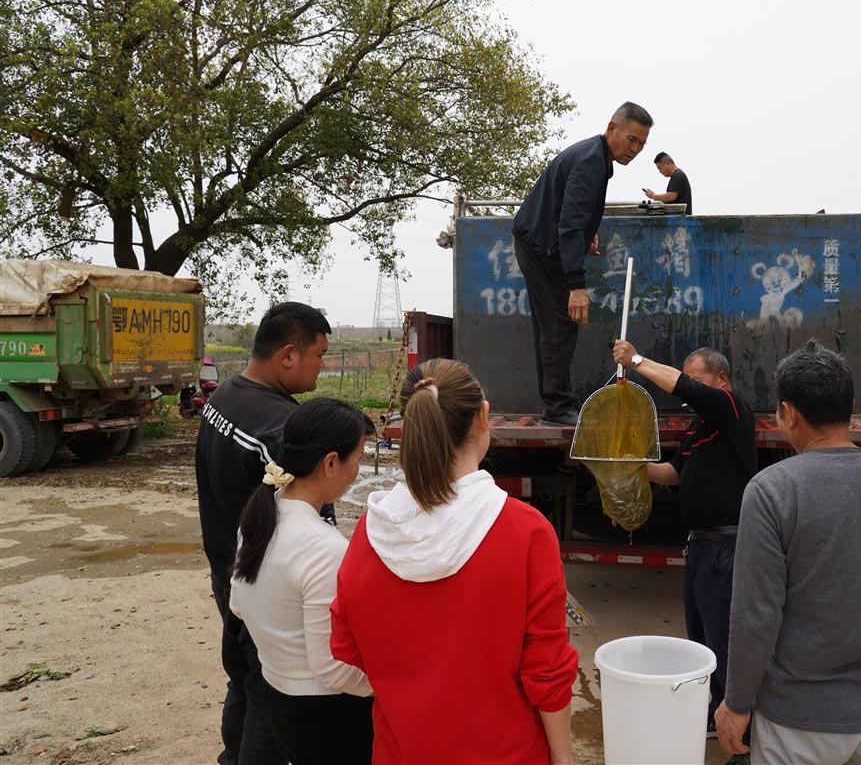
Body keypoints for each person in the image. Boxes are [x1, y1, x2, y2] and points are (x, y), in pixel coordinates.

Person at [330, 358, 578, 764]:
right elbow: (547, 673)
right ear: (483, 416)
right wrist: (564, 759)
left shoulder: (369, 534)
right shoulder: (525, 532)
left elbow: (346, 645)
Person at [715, 341, 861, 765]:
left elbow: (757, 615)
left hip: (798, 724)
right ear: (852, 407)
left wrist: (736, 703)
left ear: (788, 413)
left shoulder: (772, 490)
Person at [195, 301, 330, 765]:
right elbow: (312, 528)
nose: (322, 368)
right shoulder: (278, 428)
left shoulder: (225, 396)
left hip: (229, 570)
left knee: (244, 678)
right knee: (269, 692)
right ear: (289, 355)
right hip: (263, 580)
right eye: (319, 355)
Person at [612, 340, 755, 758]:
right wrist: (628, 465)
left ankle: (742, 733)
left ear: (721, 381)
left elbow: (684, 389)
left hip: (726, 545)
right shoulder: (698, 429)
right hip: (699, 548)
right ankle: (714, 714)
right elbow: (673, 473)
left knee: (724, 641)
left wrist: (636, 362)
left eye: (698, 380)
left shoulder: (731, 412)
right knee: (702, 640)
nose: (690, 389)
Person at [229, 398, 375, 765]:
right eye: (357, 457)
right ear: (330, 463)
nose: (358, 469)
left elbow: (238, 604)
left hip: (279, 697)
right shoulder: (323, 547)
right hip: (326, 716)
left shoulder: (261, 514)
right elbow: (331, 668)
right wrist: (385, 688)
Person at [513, 101, 654, 425]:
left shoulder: (597, 158)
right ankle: (558, 408)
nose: (635, 149)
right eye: (632, 139)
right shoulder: (592, 160)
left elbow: (571, 214)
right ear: (612, 128)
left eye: (642, 144)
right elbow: (569, 224)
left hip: (540, 242)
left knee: (554, 328)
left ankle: (555, 404)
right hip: (541, 247)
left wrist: (585, 236)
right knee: (560, 326)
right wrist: (577, 285)